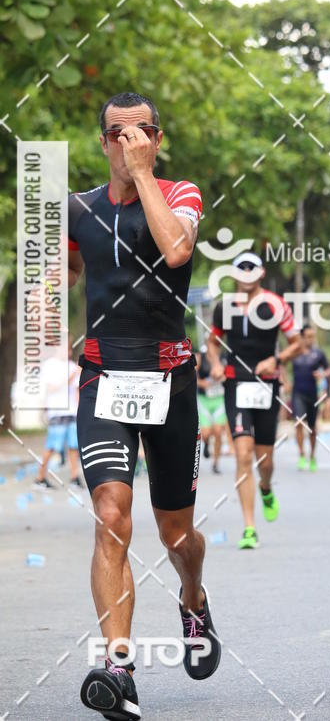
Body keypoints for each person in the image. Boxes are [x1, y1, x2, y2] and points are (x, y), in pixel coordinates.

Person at [70, 92, 220, 720]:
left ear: (158, 139)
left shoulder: (181, 194)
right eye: (115, 135)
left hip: (169, 379)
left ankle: (192, 597)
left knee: (175, 532)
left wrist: (141, 178)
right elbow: (62, 280)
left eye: (140, 133)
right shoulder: (76, 209)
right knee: (111, 514)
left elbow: (177, 250)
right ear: (101, 141)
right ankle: (119, 664)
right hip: (103, 376)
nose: (127, 143)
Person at [207, 251, 301, 549]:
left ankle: (266, 487)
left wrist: (277, 359)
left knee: (265, 460)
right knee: (243, 454)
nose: (246, 274)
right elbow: (212, 342)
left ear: (260, 273)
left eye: (251, 269)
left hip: (266, 386)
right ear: (235, 275)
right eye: (240, 269)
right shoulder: (225, 307)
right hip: (236, 383)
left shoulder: (275, 304)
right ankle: (249, 527)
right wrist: (217, 364)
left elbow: (296, 344)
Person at [34, 337, 83, 489]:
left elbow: (76, 390)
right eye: (65, 349)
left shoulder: (72, 366)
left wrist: (80, 410)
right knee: (52, 446)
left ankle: (74, 477)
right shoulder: (49, 366)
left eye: (70, 349)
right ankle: (40, 478)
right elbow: (52, 388)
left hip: (71, 411)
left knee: (73, 446)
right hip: (57, 411)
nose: (68, 352)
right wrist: (70, 376)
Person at [291, 325, 330, 471]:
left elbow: (328, 369)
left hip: (312, 394)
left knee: (312, 428)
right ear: (301, 337)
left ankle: (312, 456)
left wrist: (322, 375)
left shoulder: (318, 353)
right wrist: (285, 381)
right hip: (298, 393)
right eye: (308, 336)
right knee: (298, 423)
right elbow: (281, 364)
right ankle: (301, 454)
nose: (310, 339)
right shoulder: (295, 352)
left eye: (312, 336)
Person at [196, 345, 226, 474]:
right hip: (204, 399)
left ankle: (216, 462)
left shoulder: (224, 358)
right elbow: (192, 374)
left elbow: (230, 374)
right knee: (207, 433)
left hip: (219, 399)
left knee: (218, 432)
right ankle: (207, 444)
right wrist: (201, 383)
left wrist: (223, 378)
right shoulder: (201, 358)